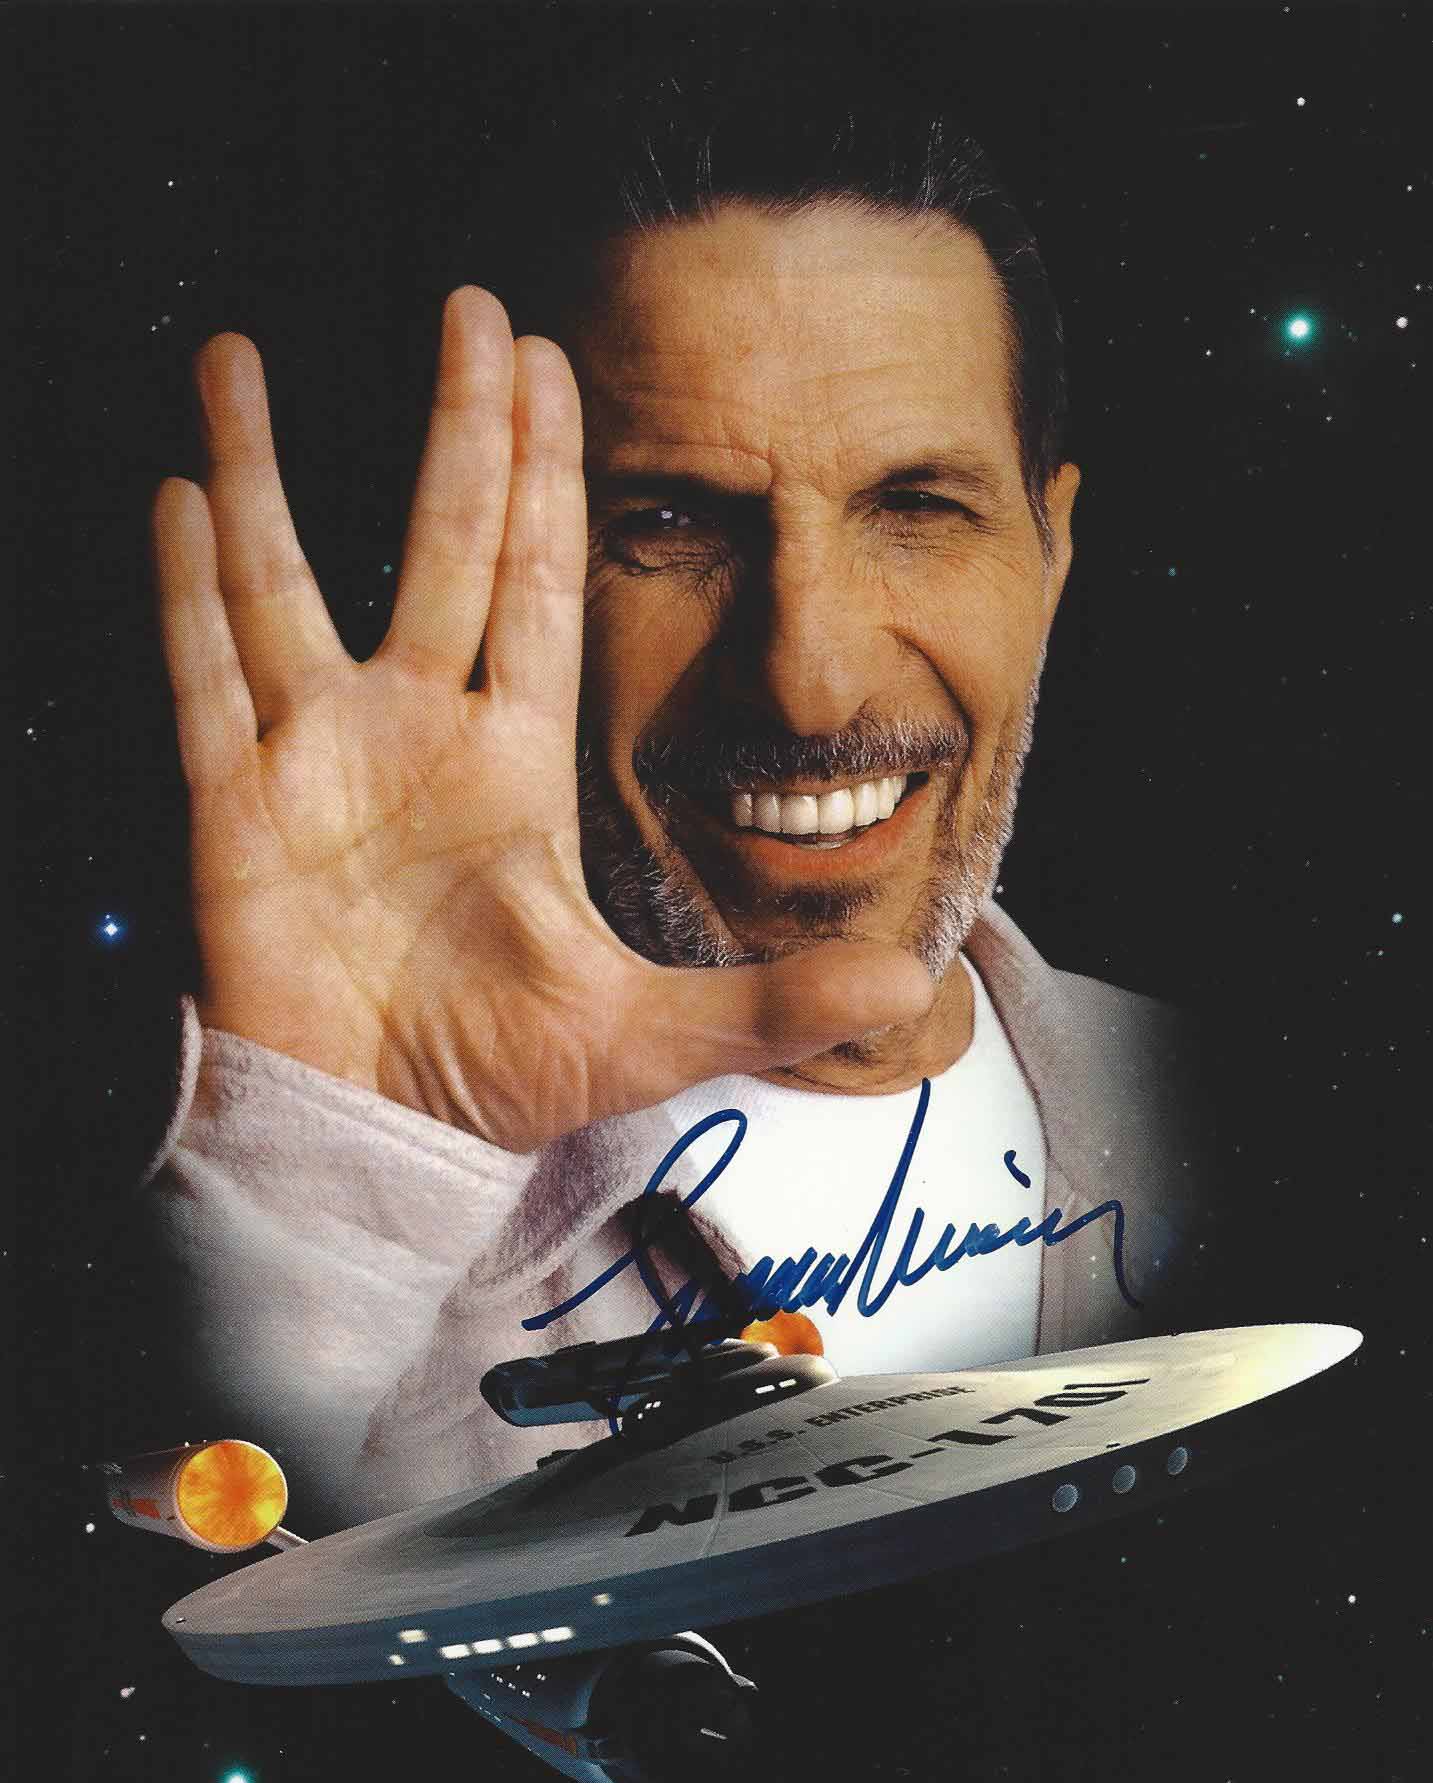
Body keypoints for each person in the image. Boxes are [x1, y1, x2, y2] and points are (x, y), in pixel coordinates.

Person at [142, 91, 1214, 1522]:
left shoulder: (1252, 1130)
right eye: (667, 523)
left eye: (916, 508)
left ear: (1051, 556)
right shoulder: (324, 1227)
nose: (809, 684)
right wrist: (322, 1199)